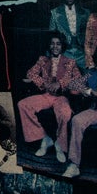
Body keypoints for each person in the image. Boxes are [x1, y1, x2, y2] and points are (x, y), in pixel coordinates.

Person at [17, 34, 88, 163]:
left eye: (58, 44)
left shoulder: (70, 62)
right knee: (23, 104)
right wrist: (44, 83)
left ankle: (59, 144)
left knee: (65, 113)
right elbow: (30, 73)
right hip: (46, 95)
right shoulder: (43, 60)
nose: (55, 46)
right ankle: (45, 137)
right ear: (49, 45)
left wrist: (60, 84)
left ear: (62, 46)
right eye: (52, 43)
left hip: (61, 97)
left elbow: (78, 80)